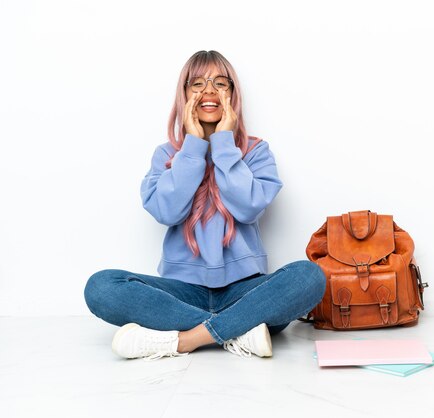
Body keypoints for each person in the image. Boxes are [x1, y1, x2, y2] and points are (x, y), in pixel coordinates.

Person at [84, 50, 326, 361]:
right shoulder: (166, 155)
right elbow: (166, 211)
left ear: (232, 94)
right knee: (101, 287)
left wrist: (224, 144)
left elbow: (248, 207)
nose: (208, 91)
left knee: (309, 277)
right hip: (182, 295)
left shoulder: (256, 151)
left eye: (220, 83)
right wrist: (194, 147)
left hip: (245, 292)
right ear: (183, 94)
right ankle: (238, 331)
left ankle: (185, 340)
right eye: (196, 83)